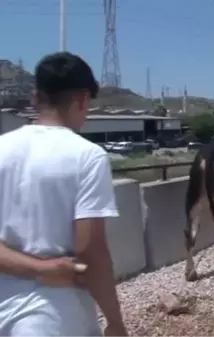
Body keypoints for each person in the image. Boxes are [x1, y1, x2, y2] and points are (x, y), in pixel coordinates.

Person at [0, 52, 128, 337]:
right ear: (83, 99)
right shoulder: (87, 156)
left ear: (35, 97)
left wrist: (36, 268)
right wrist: (115, 322)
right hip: (52, 318)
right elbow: (90, 253)